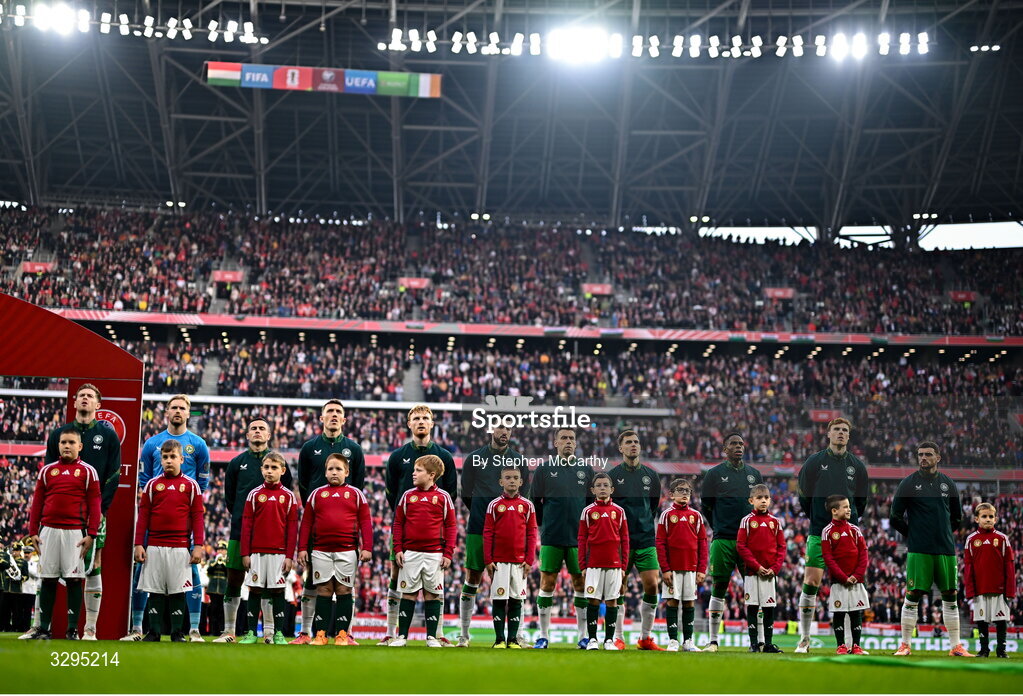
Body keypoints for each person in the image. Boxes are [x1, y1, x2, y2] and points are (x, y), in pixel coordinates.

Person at [125, 394, 210, 642]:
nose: (177, 411)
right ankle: (138, 628)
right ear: (167, 412)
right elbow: (144, 480)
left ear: (188, 413)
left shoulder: (199, 444)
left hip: (183, 517)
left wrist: (185, 499)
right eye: (173, 407)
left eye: (182, 408)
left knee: (190, 573)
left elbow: (202, 479)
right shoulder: (152, 444)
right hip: (156, 518)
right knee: (144, 571)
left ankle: (192, 629)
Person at [45, 384, 121, 642]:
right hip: (60, 515)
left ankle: (89, 628)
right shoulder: (59, 433)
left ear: (98, 405)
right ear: (74, 402)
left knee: (94, 564)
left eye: (90, 396)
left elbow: (113, 474)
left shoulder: (107, 436)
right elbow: (48, 473)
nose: (85, 399)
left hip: (94, 513)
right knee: (48, 569)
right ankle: (39, 625)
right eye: (81, 396)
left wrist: (100, 510)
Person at [380, 405, 457, 646]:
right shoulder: (396, 456)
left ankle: (438, 632)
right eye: (416, 418)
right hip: (405, 531)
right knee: (397, 577)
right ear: (409, 424)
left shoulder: (444, 457)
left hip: (434, 533)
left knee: (436, 582)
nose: (421, 421)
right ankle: (392, 632)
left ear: (432, 424)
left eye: (426, 418)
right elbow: (392, 494)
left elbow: (451, 494)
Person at [292, 400, 366, 645]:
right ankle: (306, 633)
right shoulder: (309, 448)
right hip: (317, 525)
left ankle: (347, 633)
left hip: (345, 531)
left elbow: (359, 485)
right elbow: (303, 483)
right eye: (330, 412)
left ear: (344, 420)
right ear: (321, 418)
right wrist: (317, 510)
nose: (334, 416)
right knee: (312, 580)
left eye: (338, 413)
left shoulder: (353, 449)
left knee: (346, 584)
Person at [214, 419, 294, 642]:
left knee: (270, 583)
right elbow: (230, 498)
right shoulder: (236, 463)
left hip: (271, 535)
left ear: (269, 435)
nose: (257, 432)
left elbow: (285, 493)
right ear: (247, 434)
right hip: (241, 531)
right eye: (253, 429)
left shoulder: (278, 463)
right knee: (234, 579)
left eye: (262, 429)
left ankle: (269, 632)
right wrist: (242, 518)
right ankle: (229, 630)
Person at [890, 441, 972, 657]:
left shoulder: (948, 484)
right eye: (920, 454)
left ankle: (955, 646)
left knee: (950, 594)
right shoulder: (907, 484)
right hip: (919, 549)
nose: (923, 458)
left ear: (938, 458)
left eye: (928, 454)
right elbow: (895, 517)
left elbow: (957, 517)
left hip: (945, 549)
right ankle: (905, 645)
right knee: (913, 594)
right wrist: (914, 534)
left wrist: (944, 533)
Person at [795, 418, 869, 653]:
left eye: (845, 430)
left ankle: (850, 644)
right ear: (828, 434)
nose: (840, 433)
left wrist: (850, 519)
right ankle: (804, 639)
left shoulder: (857, 466)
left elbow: (861, 501)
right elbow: (804, 495)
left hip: (848, 536)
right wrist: (817, 517)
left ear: (849, 436)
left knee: (849, 585)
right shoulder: (815, 462)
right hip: (819, 532)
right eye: (836, 429)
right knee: (811, 582)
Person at [24, 427, 100, 640]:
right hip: (48, 531)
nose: (67, 445)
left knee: (74, 580)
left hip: (75, 533)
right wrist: (33, 531)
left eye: (71, 443)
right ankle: (44, 628)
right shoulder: (47, 471)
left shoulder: (88, 471)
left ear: (80, 446)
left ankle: (72, 629)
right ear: (58, 445)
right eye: (63, 442)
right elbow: (37, 502)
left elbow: (95, 504)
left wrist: (91, 534)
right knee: (47, 579)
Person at [458, 425, 529, 647]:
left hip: (510, 529)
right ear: (491, 430)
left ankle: (517, 635)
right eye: (500, 427)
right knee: (472, 578)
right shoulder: (475, 458)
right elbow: (466, 491)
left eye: (507, 428)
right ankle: (464, 634)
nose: (504, 432)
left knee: (517, 583)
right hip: (480, 526)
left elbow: (522, 494)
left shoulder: (519, 460)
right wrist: (483, 510)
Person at [296, 453, 372, 646]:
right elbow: (306, 524)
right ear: (325, 472)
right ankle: (320, 634)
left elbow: (365, 521)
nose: (334, 472)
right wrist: (302, 548)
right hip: (320, 550)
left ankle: (342, 635)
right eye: (330, 469)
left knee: (344, 589)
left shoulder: (356, 494)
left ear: (346, 472)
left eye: (338, 469)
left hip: (347, 550)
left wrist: (367, 547)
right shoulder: (316, 494)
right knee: (324, 589)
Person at [134, 440, 205, 642]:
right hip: (154, 546)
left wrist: (198, 545)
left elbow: (198, 517)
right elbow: (144, 517)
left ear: (181, 459)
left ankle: (177, 633)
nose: (169, 460)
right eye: (165, 457)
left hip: (180, 547)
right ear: (160, 460)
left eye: (173, 456)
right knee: (154, 591)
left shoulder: (191, 486)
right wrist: (139, 544)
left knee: (178, 591)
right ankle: (154, 632)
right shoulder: (151, 485)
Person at [531, 428, 595, 649]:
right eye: (564, 438)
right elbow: (535, 501)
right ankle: (543, 635)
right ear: (555, 443)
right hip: (551, 536)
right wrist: (545, 524)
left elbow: (590, 504)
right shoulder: (544, 469)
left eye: (571, 439)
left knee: (580, 583)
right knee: (547, 583)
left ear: (576, 444)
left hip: (579, 538)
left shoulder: (585, 469)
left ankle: (583, 636)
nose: (568, 442)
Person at [700, 432, 763, 652]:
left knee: (754, 589)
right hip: (724, 539)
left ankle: (757, 641)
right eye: (733, 444)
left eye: (741, 444)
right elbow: (706, 506)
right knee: (719, 587)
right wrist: (719, 526)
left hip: (749, 542)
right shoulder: (714, 474)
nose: (738, 447)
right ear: (724, 449)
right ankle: (713, 640)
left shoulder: (754, 474)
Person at [389, 455, 457, 648]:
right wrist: (398, 548)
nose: (414, 473)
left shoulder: (443, 497)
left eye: (418, 470)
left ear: (431, 475)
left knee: (432, 594)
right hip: (410, 553)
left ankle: (431, 637)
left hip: (435, 554)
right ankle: (402, 636)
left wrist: (448, 553)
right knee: (408, 593)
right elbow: (398, 523)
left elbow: (451, 526)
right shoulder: (407, 496)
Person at [607, 430, 664, 651]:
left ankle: (645, 638)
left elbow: (653, 506)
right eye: (629, 442)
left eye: (636, 442)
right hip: (621, 541)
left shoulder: (651, 476)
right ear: (620, 448)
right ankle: (618, 637)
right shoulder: (612, 476)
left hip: (646, 538)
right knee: (618, 587)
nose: (634, 445)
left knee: (652, 584)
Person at [239, 451, 299, 645]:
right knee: (254, 590)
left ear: (282, 470)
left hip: (279, 553)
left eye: (274, 468)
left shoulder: (288, 497)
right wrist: (245, 553)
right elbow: (246, 525)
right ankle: (250, 632)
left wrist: (289, 556)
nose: (269, 471)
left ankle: (278, 633)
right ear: (261, 469)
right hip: (256, 552)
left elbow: (292, 529)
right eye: (266, 467)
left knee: (278, 591)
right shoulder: (254, 495)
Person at [482, 465, 537, 649]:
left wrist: (529, 560)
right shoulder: (494, 505)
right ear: (501, 482)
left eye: (515, 477)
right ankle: (499, 639)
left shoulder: (527, 506)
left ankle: (512, 639)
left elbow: (532, 533)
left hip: (520, 562)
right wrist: (488, 560)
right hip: (498, 562)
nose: (512, 480)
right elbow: (488, 533)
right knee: (499, 599)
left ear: (521, 482)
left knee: (516, 600)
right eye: (508, 477)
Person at [578, 473, 629, 651]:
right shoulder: (588, 511)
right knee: (592, 600)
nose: (602, 488)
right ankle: (592, 639)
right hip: (593, 564)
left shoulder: (619, 511)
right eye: (598, 485)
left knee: (612, 601)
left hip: (614, 564)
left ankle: (609, 640)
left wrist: (623, 566)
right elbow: (582, 539)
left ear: (612, 489)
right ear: (592, 490)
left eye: (605, 485)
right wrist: (583, 565)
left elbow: (625, 540)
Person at [655, 478, 707, 652]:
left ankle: (688, 641)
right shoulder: (667, 515)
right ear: (671, 494)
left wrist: (701, 569)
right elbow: (660, 543)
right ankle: (673, 641)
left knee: (689, 603)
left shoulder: (696, 516)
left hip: (691, 569)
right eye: (680, 490)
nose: (684, 494)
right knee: (672, 602)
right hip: (672, 569)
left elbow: (703, 544)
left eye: (687, 491)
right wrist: (665, 569)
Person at [736, 484, 784, 654]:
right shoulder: (747, 521)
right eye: (759, 498)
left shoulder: (775, 522)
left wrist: (775, 568)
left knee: (769, 607)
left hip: (770, 574)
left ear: (770, 500)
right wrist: (756, 567)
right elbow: (741, 546)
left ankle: (769, 644)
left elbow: (781, 547)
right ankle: (754, 643)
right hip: (752, 573)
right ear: (751, 501)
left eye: (766, 498)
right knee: (753, 606)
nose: (763, 500)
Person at [963, 502, 1015, 658]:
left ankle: (1001, 651)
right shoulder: (971, 540)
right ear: (976, 519)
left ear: (996, 519)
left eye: (991, 516)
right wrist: (970, 590)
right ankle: (984, 650)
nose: (988, 519)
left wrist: (1010, 590)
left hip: (999, 589)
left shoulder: (1002, 539)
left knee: (1001, 620)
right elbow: (968, 568)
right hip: (980, 589)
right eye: (984, 516)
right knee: (982, 621)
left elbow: (1009, 566)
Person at [820, 494, 869, 655]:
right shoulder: (827, 531)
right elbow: (828, 557)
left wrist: (856, 575)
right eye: (845, 507)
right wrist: (843, 577)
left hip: (856, 580)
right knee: (839, 613)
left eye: (849, 506)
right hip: (839, 581)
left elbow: (863, 553)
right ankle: (841, 645)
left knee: (856, 613)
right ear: (834, 511)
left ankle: (856, 646)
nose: (849, 510)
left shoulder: (855, 529)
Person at [205, 542, 229, 636]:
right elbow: (209, 572)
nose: (220, 551)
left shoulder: (227, 561)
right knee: (213, 611)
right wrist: (216, 562)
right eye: (219, 549)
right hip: (213, 589)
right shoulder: (212, 562)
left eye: (222, 549)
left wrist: (223, 562)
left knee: (222, 612)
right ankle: (213, 631)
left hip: (223, 589)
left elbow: (228, 573)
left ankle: (221, 631)